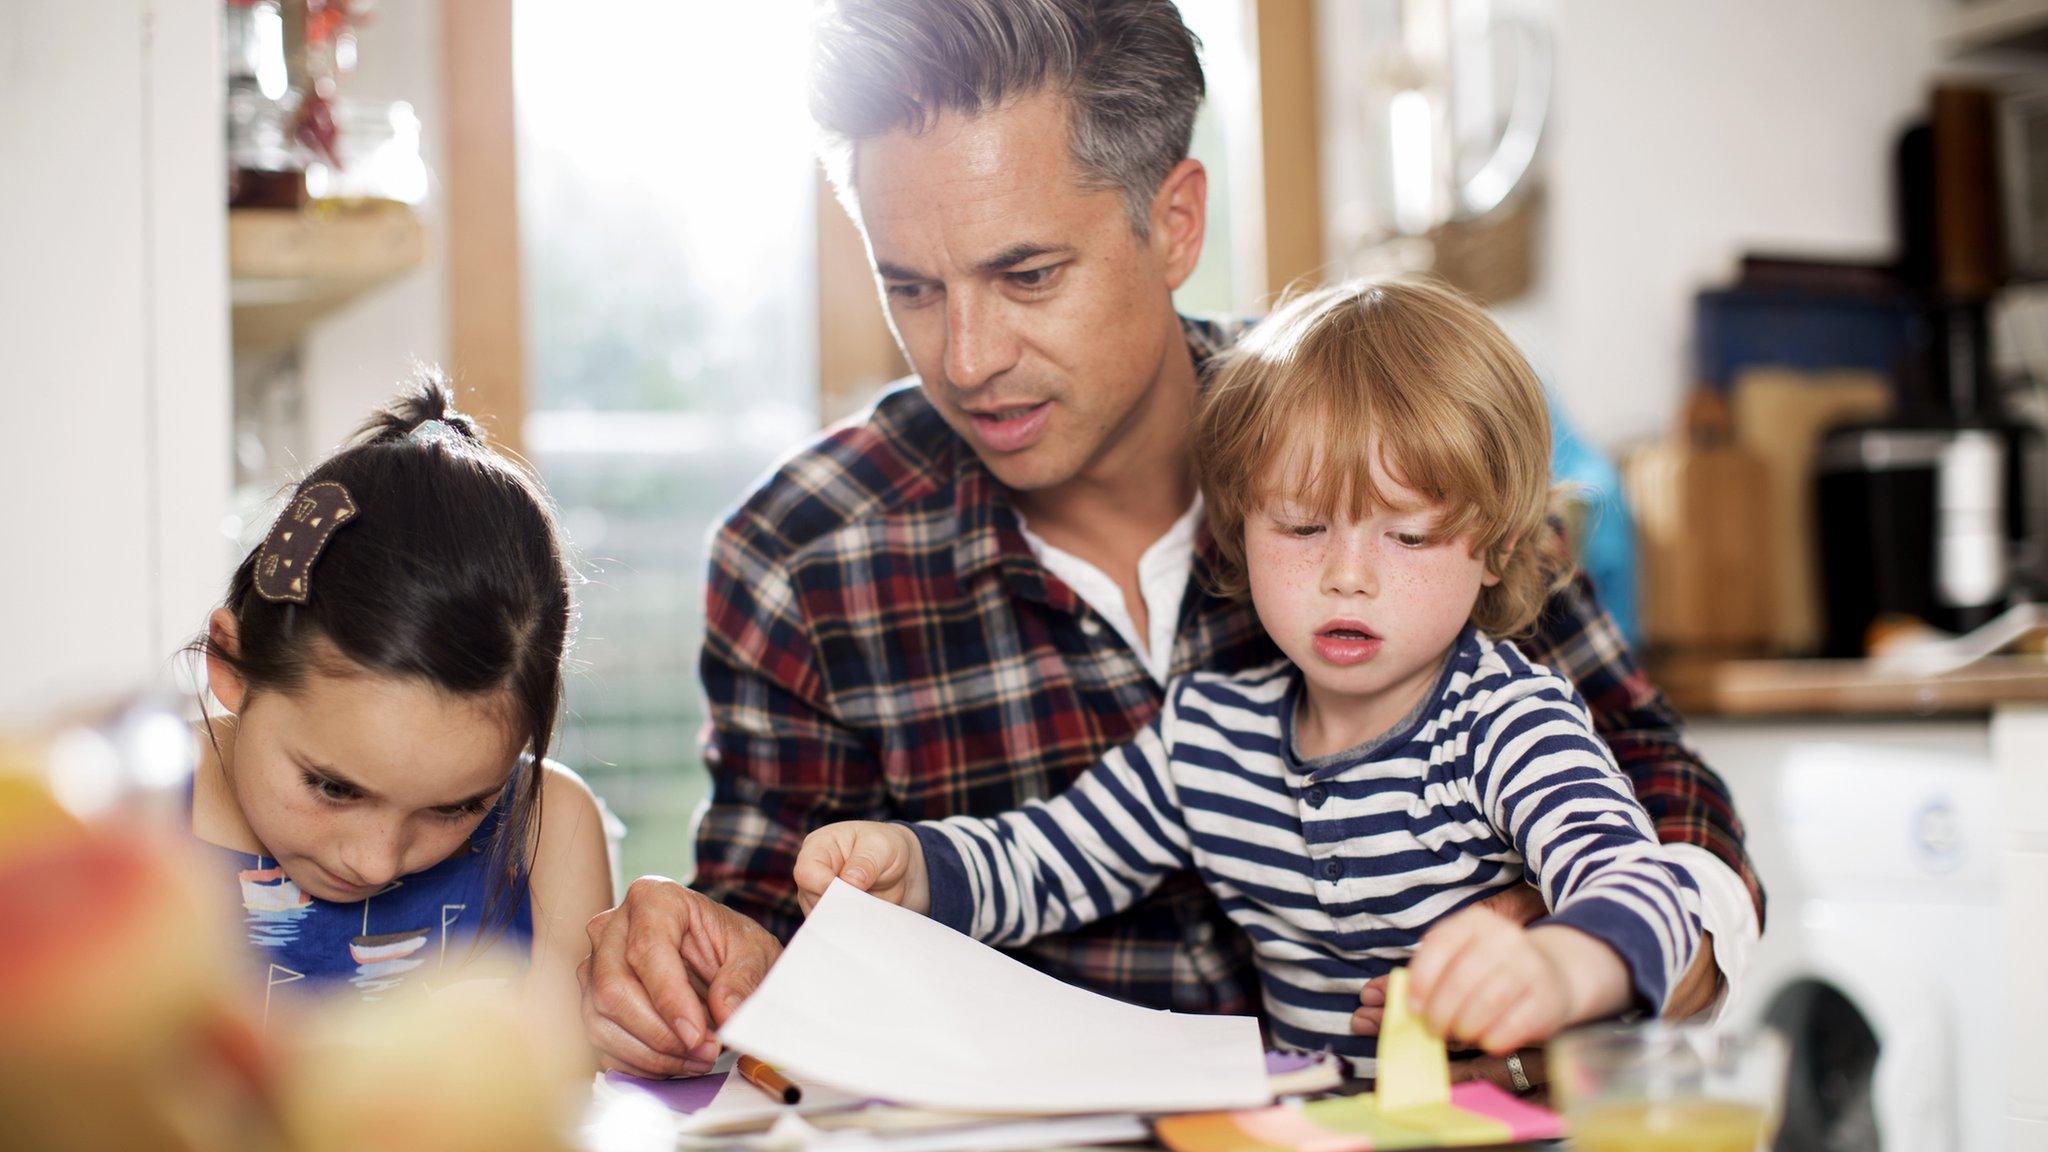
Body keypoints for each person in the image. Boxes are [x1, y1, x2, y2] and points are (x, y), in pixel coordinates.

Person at [581, 0, 1761, 1086]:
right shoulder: (797, 554)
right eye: (913, 288)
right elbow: (792, 926)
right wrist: (705, 961)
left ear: (1175, 221)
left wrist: (1573, 955)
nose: (966, 356)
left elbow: (1655, 788)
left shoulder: (1390, 442)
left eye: (1025, 273)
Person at [791, 279, 1703, 1070]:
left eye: (1410, 535)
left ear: (1499, 550)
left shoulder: (1509, 724)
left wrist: (1557, 965)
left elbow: (1643, 885)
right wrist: (910, 869)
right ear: (1234, 534)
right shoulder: (1207, 738)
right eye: (1303, 528)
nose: (1351, 573)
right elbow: (1047, 863)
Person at [191, 378, 613, 1020]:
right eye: (334, 788)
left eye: (458, 807)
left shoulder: (551, 833)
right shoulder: (123, 815)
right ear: (232, 661)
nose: (375, 860)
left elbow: (556, 1104)